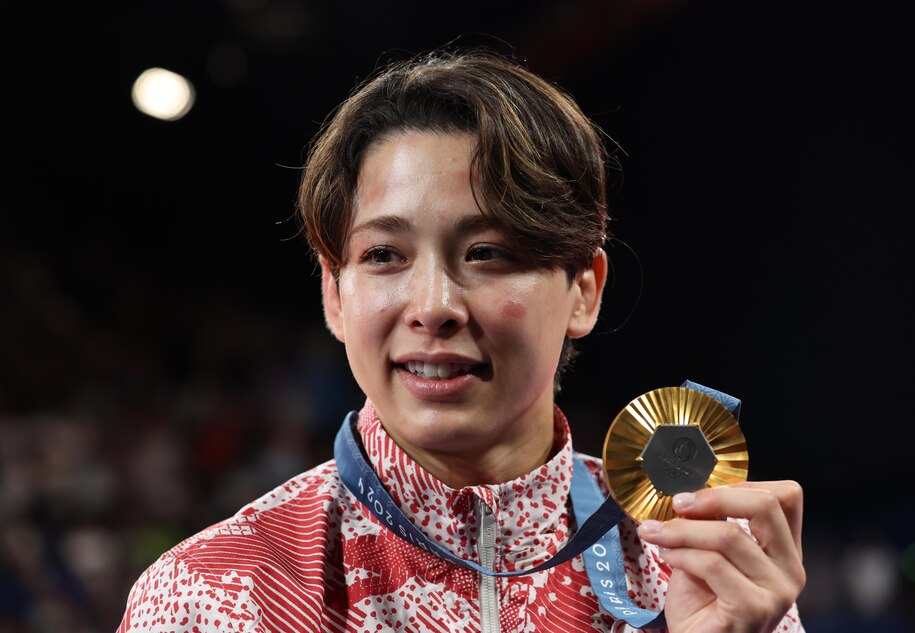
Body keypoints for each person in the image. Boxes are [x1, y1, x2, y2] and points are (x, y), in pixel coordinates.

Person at [116, 46, 806, 632]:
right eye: (384, 255)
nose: (434, 306)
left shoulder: (703, 566)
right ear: (333, 292)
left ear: (585, 288)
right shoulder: (212, 596)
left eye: (488, 253)